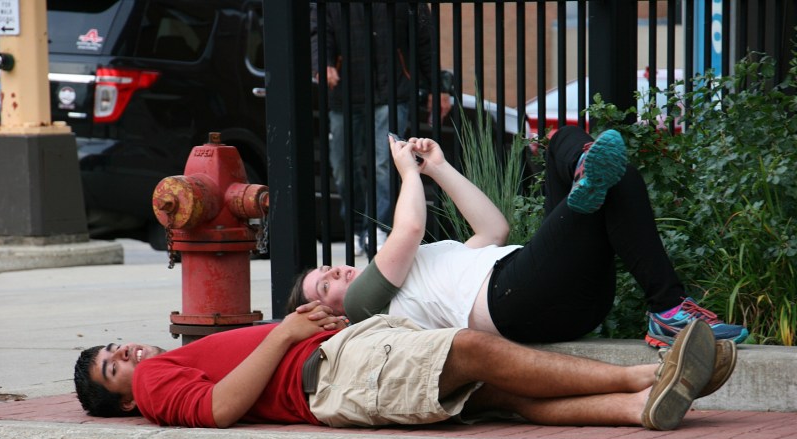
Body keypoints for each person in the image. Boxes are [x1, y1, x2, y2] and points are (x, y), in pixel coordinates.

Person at [287, 126, 749, 348]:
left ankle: (667, 309)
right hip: (514, 298)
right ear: (327, 312)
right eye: (325, 285)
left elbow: (493, 230)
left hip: (550, 292)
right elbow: (408, 227)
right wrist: (407, 171)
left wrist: (440, 168)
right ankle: (666, 307)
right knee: (600, 177)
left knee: (605, 169)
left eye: (327, 269)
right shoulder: (363, 308)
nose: (336, 272)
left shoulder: (419, 276)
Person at [74, 301, 735, 432]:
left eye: (117, 346)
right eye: (113, 368)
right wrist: (284, 337)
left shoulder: (167, 362)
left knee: (502, 390)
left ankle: (636, 408)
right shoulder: (158, 386)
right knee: (471, 352)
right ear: (126, 401)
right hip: (331, 375)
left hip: (340, 363)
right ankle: (647, 377)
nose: (126, 354)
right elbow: (218, 411)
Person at [311, 2, 450, 254]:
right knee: (342, 165)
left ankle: (378, 228)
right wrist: (324, 62)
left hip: (393, 91)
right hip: (345, 92)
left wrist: (437, 86)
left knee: (385, 162)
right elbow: (318, 31)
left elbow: (424, 41)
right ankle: (356, 228)